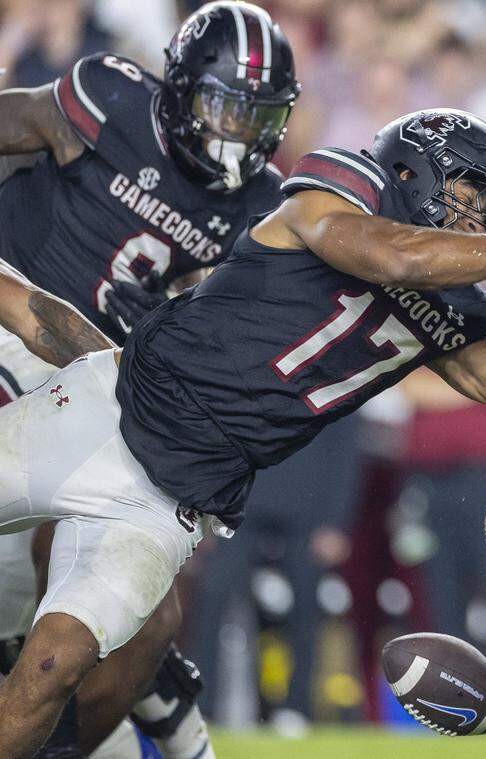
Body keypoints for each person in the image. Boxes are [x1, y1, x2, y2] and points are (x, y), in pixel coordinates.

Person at [0, 103, 486, 759]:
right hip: (105, 410)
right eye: (469, 194)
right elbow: (390, 256)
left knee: (53, 665)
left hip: (174, 497)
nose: (476, 221)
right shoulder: (343, 186)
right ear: (414, 168)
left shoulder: (451, 304)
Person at [0, 2, 302, 755]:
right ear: (183, 89)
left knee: (146, 609)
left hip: (105, 379)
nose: (238, 134)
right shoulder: (113, 97)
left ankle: (145, 701)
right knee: (28, 579)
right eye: (226, 108)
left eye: (258, 116)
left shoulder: (263, 205)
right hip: (20, 321)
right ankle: (165, 709)